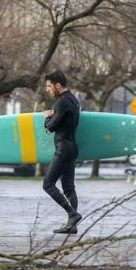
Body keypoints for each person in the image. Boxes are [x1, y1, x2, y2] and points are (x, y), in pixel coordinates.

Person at [43, 70, 82, 234]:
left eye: (49, 86)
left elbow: (51, 127)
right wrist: (55, 115)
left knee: (48, 184)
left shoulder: (61, 102)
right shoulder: (73, 99)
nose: (48, 89)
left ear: (58, 85)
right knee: (69, 188)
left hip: (63, 149)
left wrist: (47, 117)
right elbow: (63, 119)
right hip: (72, 147)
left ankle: (72, 215)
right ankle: (71, 226)